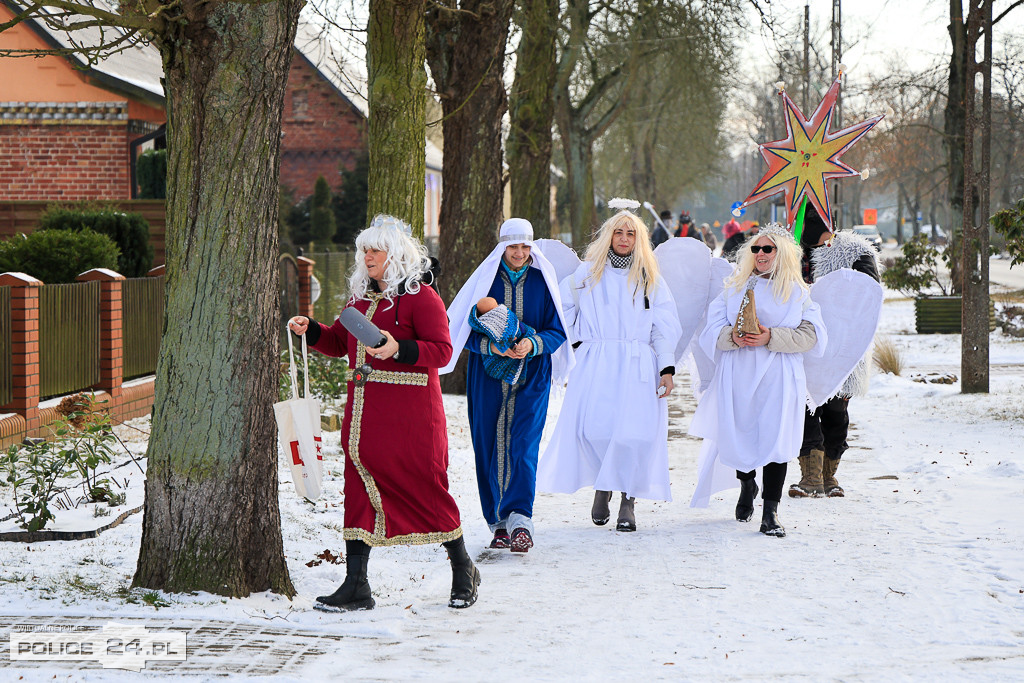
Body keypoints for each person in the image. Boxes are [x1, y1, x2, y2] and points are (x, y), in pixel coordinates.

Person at [288, 214, 480, 611]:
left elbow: (443, 352)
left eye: (375, 249)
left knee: (426, 489)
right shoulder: (359, 298)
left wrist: (399, 349)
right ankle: (356, 585)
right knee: (358, 491)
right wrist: (313, 331)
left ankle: (463, 567)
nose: (367, 256)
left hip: (412, 418)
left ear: (395, 255)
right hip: (366, 418)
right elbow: (341, 342)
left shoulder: (422, 297)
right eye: (364, 249)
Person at [538, 208, 682, 532]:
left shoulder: (649, 278)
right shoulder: (587, 274)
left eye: (631, 234)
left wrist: (666, 367)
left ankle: (628, 500)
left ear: (639, 239)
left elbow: (664, 326)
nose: (624, 238)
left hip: (637, 363)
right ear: (609, 235)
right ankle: (603, 485)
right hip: (597, 360)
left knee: (635, 434)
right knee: (596, 430)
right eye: (619, 232)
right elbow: (561, 310)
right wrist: (578, 344)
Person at [443, 218, 571, 553]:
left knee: (524, 445)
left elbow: (558, 331)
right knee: (487, 445)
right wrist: (491, 347)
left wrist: (533, 344)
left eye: (525, 246)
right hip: (487, 377)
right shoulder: (484, 283)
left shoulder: (544, 282)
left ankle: (520, 521)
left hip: (533, 375)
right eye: (513, 246)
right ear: (502, 247)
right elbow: (460, 330)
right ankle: (498, 524)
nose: (519, 253)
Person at [689, 225, 826, 537]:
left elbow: (811, 335)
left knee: (776, 441)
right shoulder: (734, 288)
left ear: (782, 253)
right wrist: (733, 336)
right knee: (741, 435)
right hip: (739, 372)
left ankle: (770, 511)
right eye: (756, 249)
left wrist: (770, 336)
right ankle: (747, 483)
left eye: (769, 249)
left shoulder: (797, 291)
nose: (761, 254)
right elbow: (710, 329)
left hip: (779, 374)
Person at [790, 205, 880, 498]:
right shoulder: (788, 250)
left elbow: (868, 295)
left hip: (843, 346)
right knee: (804, 408)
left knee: (836, 412)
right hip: (802, 343)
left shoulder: (854, 252)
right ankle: (811, 476)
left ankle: (829, 476)